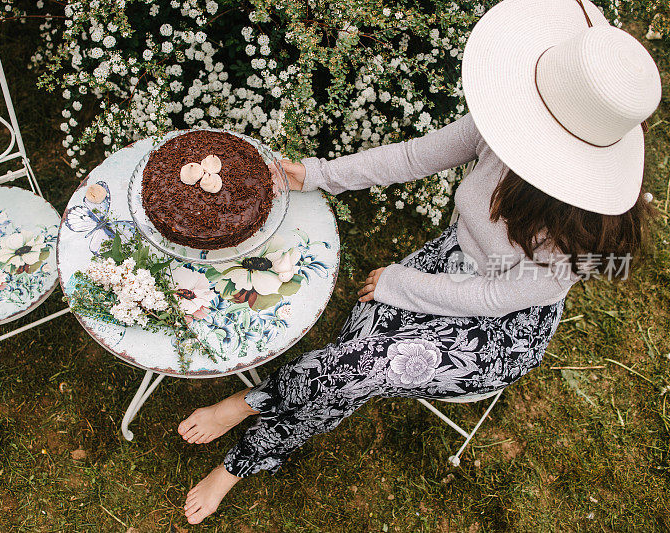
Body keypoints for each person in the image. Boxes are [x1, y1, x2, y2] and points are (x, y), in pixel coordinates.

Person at [177, 0, 662, 524]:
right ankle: (262, 426)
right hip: (452, 266)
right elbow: (413, 157)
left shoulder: (580, 237)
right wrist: (318, 174)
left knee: (358, 365)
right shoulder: (507, 125)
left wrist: (401, 283)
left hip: (496, 331)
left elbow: (493, 298)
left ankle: (245, 428)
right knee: (354, 366)